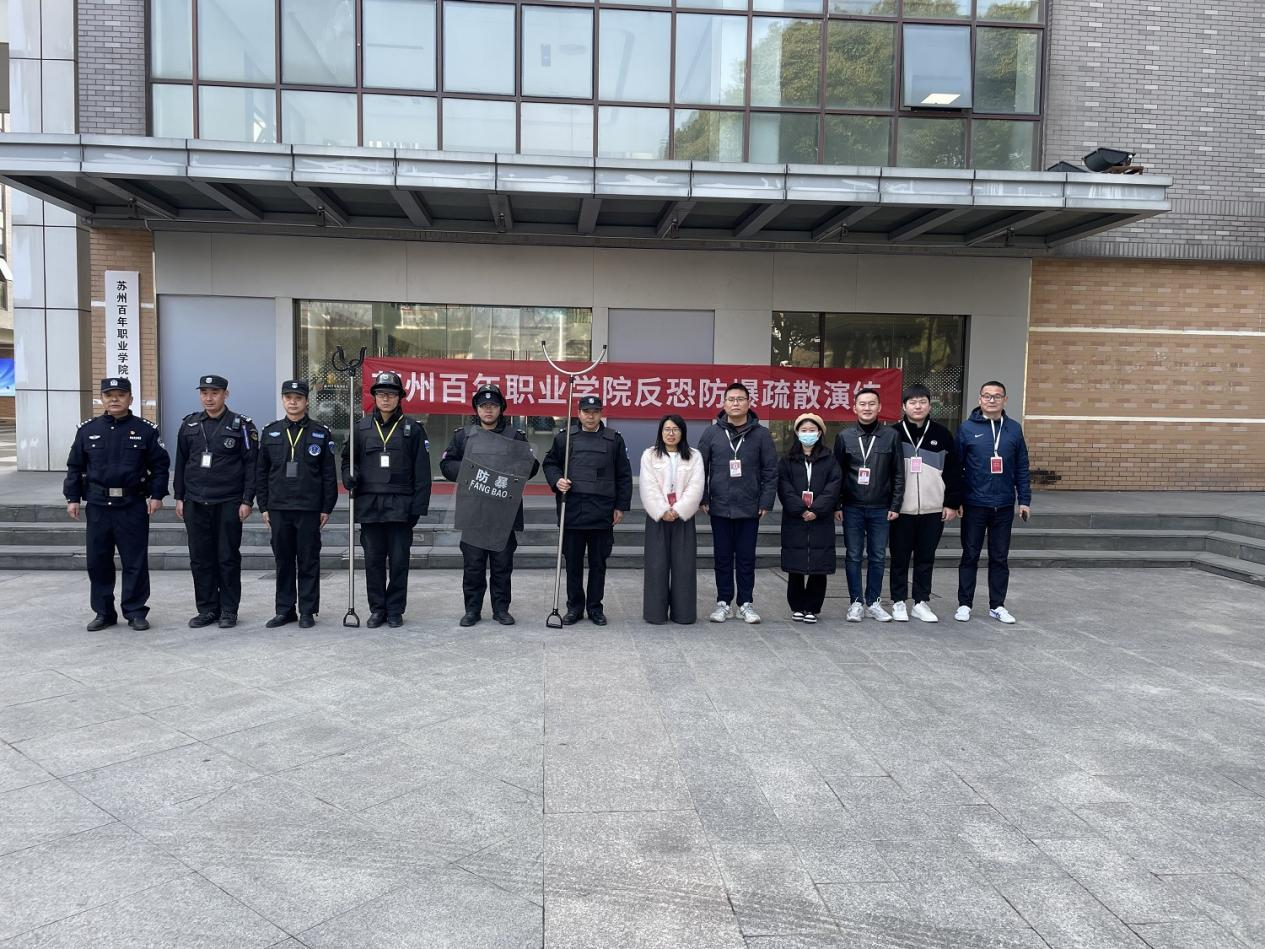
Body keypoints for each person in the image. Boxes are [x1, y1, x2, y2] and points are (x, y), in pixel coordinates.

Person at [63, 377, 169, 631]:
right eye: (109, 395)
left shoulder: (145, 430)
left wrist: (156, 495)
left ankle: (135, 611)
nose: (114, 399)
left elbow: (160, 466)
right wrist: (72, 497)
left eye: (120, 395)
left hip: (132, 504)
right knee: (98, 560)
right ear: (102, 398)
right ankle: (103, 613)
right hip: (98, 505)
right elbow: (75, 466)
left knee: (135, 561)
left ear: (130, 399)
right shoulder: (87, 430)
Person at [440, 382, 539, 627]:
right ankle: (472, 610)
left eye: (493, 405)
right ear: (476, 408)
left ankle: (501, 609)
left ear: (501, 408)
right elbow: (446, 465)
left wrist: (507, 469)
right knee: (473, 566)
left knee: (502, 566)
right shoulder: (463, 436)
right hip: (473, 512)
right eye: (483, 405)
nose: (488, 410)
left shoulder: (515, 437)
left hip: (503, 514)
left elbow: (531, 467)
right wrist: (471, 470)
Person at [341, 370, 431, 628]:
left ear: (399, 397)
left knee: (400, 562)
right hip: (370, 506)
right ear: (374, 397)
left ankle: (395, 610)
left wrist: (417, 509)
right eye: (381, 394)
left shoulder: (413, 429)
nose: (386, 399)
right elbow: (347, 460)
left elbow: (422, 473)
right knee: (373, 561)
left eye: (391, 394)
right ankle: (378, 609)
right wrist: (349, 475)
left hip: (401, 508)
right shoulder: (360, 428)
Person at [172, 373, 257, 629]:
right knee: (200, 558)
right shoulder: (189, 424)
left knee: (227, 557)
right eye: (204, 393)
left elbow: (251, 465)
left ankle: (229, 610)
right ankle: (207, 609)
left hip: (228, 501)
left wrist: (247, 500)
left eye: (214, 393)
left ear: (225, 395)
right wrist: (179, 497)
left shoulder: (242, 426)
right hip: (195, 501)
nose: (209, 398)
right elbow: (181, 462)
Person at [543, 394, 632, 626]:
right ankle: (574, 608)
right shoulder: (565, 438)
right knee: (573, 564)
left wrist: (621, 506)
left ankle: (595, 608)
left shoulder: (614, 440)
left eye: (595, 412)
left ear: (601, 413)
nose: (590, 416)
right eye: (586, 412)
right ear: (578, 413)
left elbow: (623, 474)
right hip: (572, 511)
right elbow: (550, 463)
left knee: (598, 564)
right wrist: (557, 480)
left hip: (602, 512)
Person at [257, 379, 338, 629]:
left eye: (298, 398)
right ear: (283, 400)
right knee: (283, 561)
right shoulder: (270, 432)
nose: (293, 402)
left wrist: (326, 507)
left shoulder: (320, 433)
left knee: (308, 560)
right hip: (279, 507)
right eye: (288, 397)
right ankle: (284, 610)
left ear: (306, 401)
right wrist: (264, 506)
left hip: (309, 507)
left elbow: (328, 474)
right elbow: (261, 472)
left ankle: (307, 611)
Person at [698, 383, 778, 624]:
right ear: (723, 404)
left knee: (746, 558)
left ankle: (745, 603)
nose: (735, 403)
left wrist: (766, 501)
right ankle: (723, 602)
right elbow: (700, 469)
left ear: (748, 403)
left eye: (740, 399)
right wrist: (703, 497)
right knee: (722, 558)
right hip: (720, 506)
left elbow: (770, 471)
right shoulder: (711, 433)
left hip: (749, 507)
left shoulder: (761, 434)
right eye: (731, 399)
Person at [955, 380, 1031, 624]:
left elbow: (1022, 466)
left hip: (1004, 504)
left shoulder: (1014, 429)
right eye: (986, 395)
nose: (991, 400)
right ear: (979, 399)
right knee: (970, 555)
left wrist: (1024, 500)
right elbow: (956, 467)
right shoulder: (967, 428)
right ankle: (964, 604)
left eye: (997, 396)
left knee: (999, 557)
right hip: (974, 503)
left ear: (1005, 400)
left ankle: (997, 605)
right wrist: (956, 499)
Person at [889, 384, 963, 623]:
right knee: (899, 557)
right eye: (912, 402)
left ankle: (921, 602)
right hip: (901, 509)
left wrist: (951, 503)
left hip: (933, 508)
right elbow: (885, 473)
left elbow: (953, 471)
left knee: (925, 557)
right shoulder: (893, 434)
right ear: (904, 406)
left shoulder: (942, 434)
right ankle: (898, 601)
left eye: (922, 402)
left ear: (930, 406)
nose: (918, 406)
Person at [833, 387, 904, 623]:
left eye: (872, 403)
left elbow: (898, 473)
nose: (867, 408)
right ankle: (855, 602)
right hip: (851, 506)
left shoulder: (891, 436)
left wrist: (895, 504)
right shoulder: (845, 437)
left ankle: (873, 602)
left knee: (878, 556)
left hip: (881, 507)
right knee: (853, 555)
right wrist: (837, 505)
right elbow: (837, 474)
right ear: (854, 407)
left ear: (879, 407)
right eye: (862, 404)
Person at [639, 414, 705, 625]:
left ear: (682, 432)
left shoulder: (694, 456)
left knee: (684, 567)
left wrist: (678, 510)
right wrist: (662, 510)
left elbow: (696, 486)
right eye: (667, 429)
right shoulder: (650, 455)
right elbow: (648, 486)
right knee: (656, 566)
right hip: (657, 517)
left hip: (683, 518)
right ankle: (655, 613)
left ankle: (683, 613)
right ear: (660, 432)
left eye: (675, 429)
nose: (671, 433)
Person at [777, 413, 842, 624]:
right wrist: (800, 509)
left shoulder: (829, 459)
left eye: (812, 430)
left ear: (820, 433)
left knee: (819, 565)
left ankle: (812, 607)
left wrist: (817, 509)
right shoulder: (787, 460)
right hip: (795, 518)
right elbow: (784, 487)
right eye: (803, 430)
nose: (808, 434)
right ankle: (797, 606)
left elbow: (834, 486)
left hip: (821, 518)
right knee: (795, 564)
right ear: (797, 433)